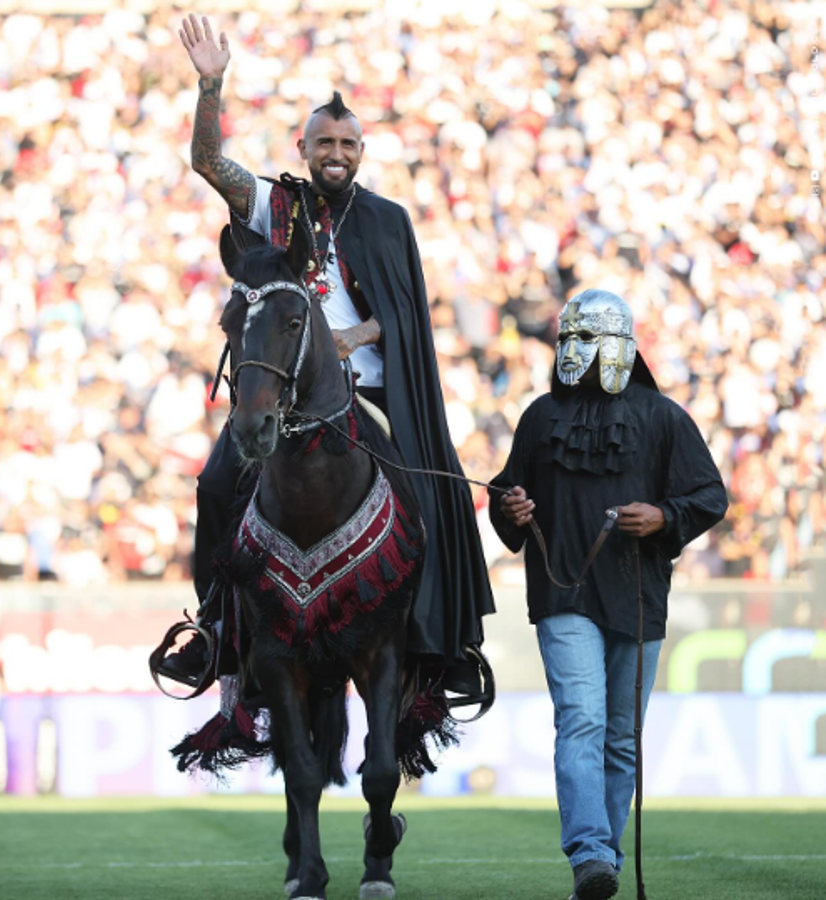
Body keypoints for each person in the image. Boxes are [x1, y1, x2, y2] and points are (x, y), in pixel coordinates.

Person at [157, 15, 494, 701]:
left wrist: (356, 337)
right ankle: (215, 629)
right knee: (217, 485)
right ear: (303, 147)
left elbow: (403, 316)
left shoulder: (388, 218)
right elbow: (206, 163)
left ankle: (441, 644)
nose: (335, 152)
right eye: (324, 142)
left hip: (362, 396)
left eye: (346, 143)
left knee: (438, 491)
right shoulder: (276, 203)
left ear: (361, 150)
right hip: (282, 400)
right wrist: (210, 85)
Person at [489, 289, 728, 900]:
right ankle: (591, 853)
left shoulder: (663, 416)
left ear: (623, 345)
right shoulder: (541, 416)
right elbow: (506, 497)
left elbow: (710, 497)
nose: (584, 353)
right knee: (583, 720)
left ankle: (605, 864)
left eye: (595, 340)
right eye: (574, 340)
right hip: (564, 597)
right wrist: (511, 507)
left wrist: (664, 515)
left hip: (637, 594)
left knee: (622, 737)